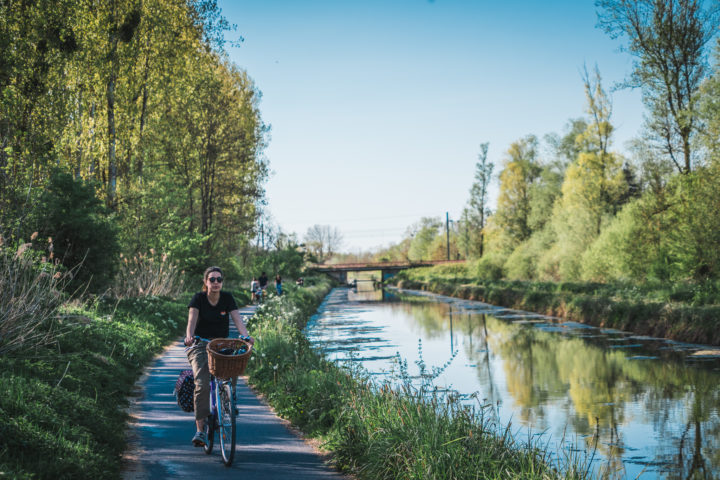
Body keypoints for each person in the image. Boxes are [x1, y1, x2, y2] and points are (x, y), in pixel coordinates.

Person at [184, 266, 254, 447]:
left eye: (219, 280)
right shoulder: (198, 299)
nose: (216, 283)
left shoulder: (227, 298)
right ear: (205, 282)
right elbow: (191, 320)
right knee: (201, 383)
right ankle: (200, 430)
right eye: (212, 279)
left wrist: (245, 336)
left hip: (221, 344)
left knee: (232, 368)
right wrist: (189, 336)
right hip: (199, 344)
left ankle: (228, 402)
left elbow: (238, 320)